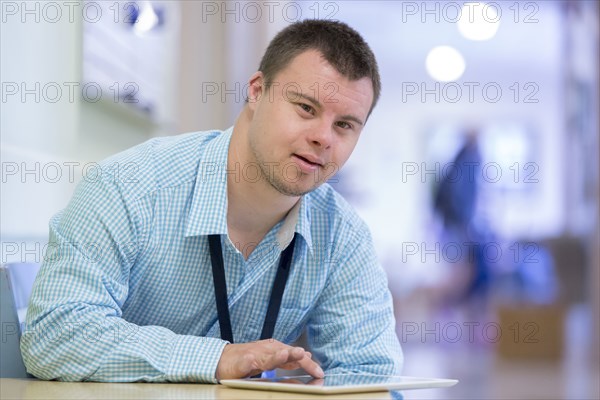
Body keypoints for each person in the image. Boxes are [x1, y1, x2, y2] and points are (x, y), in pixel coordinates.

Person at [21, 19, 403, 383]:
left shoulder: (343, 236)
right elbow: (54, 333)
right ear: (256, 90)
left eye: (344, 125)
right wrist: (218, 359)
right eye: (306, 108)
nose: (324, 137)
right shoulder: (129, 186)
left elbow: (370, 372)